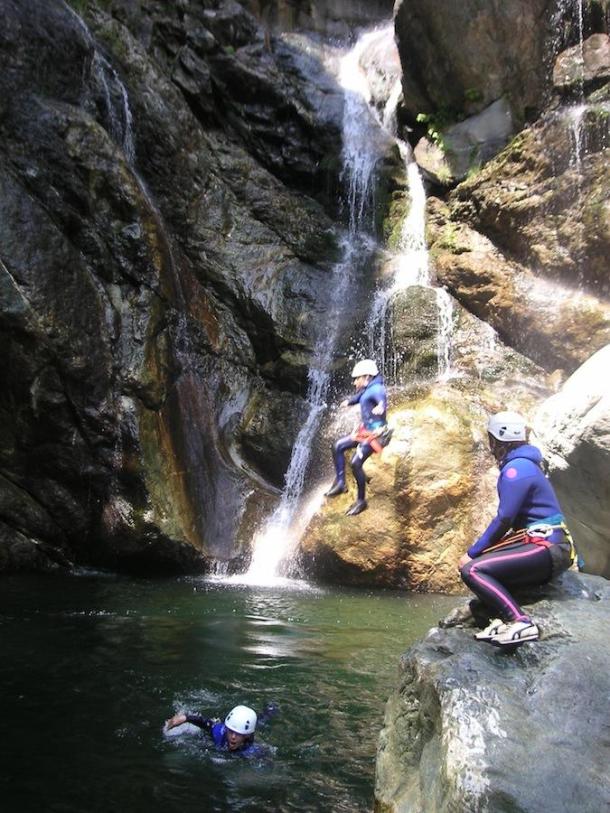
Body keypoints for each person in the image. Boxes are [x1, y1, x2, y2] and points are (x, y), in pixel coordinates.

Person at [459, 411, 576, 648]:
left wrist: (472, 553)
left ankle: (520, 622)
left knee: (473, 570)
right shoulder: (523, 465)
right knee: (484, 565)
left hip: (547, 546)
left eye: (492, 439)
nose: (490, 446)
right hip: (545, 545)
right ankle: (499, 619)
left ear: (501, 439)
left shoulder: (517, 469)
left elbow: (504, 518)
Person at [324, 359, 390, 516]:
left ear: (367, 376)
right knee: (337, 446)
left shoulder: (377, 389)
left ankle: (361, 501)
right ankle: (341, 483)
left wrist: (380, 408)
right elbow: (358, 398)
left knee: (355, 463)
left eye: (357, 378)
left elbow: (382, 400)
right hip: (364, 433)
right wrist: (348, 402)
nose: (354, 382)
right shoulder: (367, 389)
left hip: (377, 435)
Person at [164, 703, 276, 757]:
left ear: (246, 736)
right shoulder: (220, 732)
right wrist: (185, 718)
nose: (233, 737)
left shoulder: (252, 750)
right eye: (231, 732)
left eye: (238, 734)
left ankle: (271, 709)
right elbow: (204, 722)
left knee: (260, 723)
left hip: (250, 732)